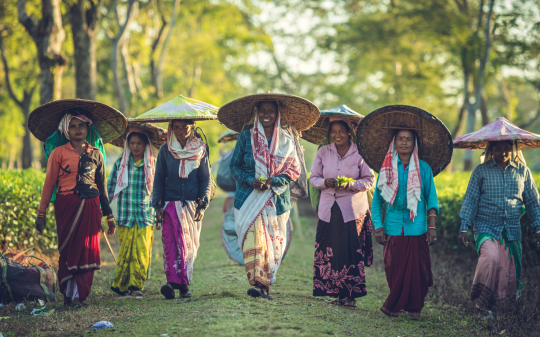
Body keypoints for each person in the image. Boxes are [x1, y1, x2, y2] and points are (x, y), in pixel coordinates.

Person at [35, 110, 116, 308]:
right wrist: (41, 213)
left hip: (91, 207)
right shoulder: (58, 153)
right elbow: (49, 185)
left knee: (87, 250)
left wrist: (109, 216)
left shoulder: (96, 154)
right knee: (68, 250)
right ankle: (68, 297)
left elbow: (102, 187)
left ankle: (81, 297)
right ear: (66, 130)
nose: (77, 129)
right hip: (66, 206)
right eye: (73, 126)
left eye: (82, 125)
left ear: (89, 129)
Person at [229, 101, 302, 300]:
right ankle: (258, 283)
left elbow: (294, 171)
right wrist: (250, 181)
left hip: (276, 200)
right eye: (263, 111)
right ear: (257, 113)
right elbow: (234, 166)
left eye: (271, 111)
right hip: (248, 198)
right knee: (254, 240)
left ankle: (265, 283)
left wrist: (273, 181)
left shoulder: (287, 140)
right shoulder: (246, 137)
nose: (266, 114)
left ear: (277, 114)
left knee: (271, 243)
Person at [459, 140, 540, 315]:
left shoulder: (523, 171)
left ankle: (500, 306)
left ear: (512, 149)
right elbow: (471, 199)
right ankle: (481, 302)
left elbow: (533, 203)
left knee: (509, 269)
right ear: (491, 149)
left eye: (506, 148)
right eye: (498, 148)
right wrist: (464, 226)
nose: (503, 152)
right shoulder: (481, 171)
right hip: (485, 226)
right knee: (491, 258)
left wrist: (538, 228)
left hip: (511, 229)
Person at [371, 129, 439, 317]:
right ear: (394, 142)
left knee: (417, 272)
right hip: (392, 227)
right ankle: (397, 303)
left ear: (414, 143)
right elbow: (376, 202)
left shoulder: (424, 169)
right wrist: (378, 226)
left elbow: (431, 200)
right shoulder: (386, 169)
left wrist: (432, 226)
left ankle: (413, 307)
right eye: (400, 139)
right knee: (393, 270)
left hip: (417, 229)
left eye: (408, 139)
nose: (404, 142)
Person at [310, 120, 375, 307]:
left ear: (349, 133)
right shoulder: (323, 152)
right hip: (329, 208)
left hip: (352, 210)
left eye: (341, 131)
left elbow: (370, 180)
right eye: (334, 132)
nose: (337, 135)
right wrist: (325, 182)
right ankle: (336, 293)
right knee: (330, 250)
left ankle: (350, 296)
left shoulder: (360, 153)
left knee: (349, 252)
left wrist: (351, 184)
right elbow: (314, 177)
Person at [152, 119, 211, 299]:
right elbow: (159, 179)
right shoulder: (165, 150)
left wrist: (203, 203)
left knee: (187, 245)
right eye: (175, 127)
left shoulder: (201, 149)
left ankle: (184, 285)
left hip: (192, 205)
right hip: (170, 204)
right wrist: (158, 206)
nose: (180, 131)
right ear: (170, 128)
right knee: (171, 244)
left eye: (184, 127)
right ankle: (172, 283)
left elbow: (205, 178)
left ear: (191, 127)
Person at [108, 130, 156, 297]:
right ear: (127, 145)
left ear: (145, 145)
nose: (135, 146)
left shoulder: (152, 164)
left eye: (139, 143)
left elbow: (158, 190)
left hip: (145, 215)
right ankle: (121, 284)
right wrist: (104, 209)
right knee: (126, 250)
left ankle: (136, 286)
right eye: (132, 143)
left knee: (142, 251)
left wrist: (160, 212)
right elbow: (111, 186)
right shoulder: (121, 163)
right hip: (125, 213)